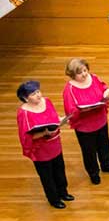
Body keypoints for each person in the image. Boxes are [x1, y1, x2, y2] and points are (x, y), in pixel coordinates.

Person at [16, 81, 73, 209]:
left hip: (55, 144)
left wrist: (62, 119)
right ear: (25, 98)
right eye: (33, 93)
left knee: (59, 170)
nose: (38, 95)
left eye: (38, 91)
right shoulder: (23, 113)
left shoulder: (47, 101)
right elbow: (26, 136)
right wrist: (44, 133)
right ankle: (54, 199)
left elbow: (54, 117)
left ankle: (63, 192)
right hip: (41, 150)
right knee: (47, 176)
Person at [62, 58, 109, 185]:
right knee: (89, 151)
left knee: (104, 144)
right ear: (72, 75)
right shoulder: (69, 89)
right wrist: (83, 110)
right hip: (85, 126)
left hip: (100, 120)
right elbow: (70, 111)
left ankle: (106, 164)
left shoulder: (94, 78)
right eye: (79, 73)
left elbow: (104, 87)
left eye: (85, 70)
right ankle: (93, 172)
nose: (84, 74)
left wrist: (107, 92)